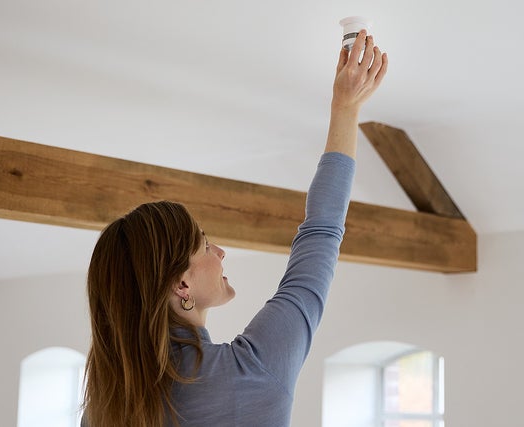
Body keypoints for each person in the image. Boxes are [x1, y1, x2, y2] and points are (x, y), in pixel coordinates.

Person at [81, 29, 387, 427]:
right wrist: (346, 108)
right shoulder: (251, 374)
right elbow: (321, 233)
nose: (220, 253)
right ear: (181, 285)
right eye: (205, 246)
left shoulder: (104, 407)